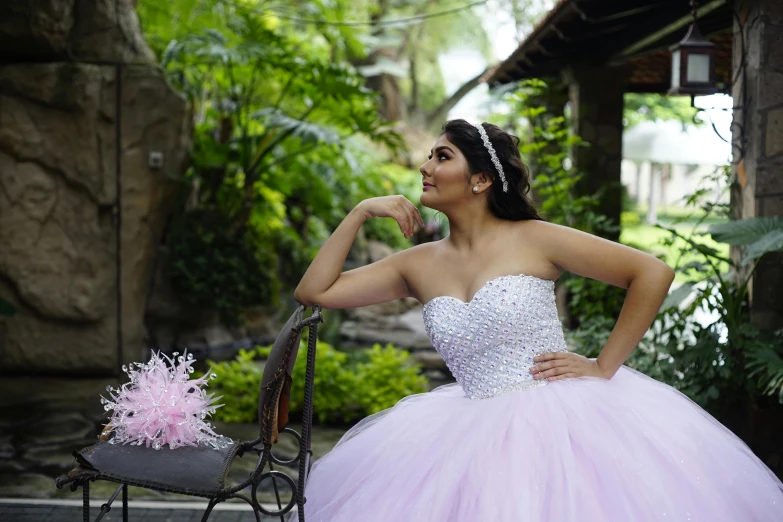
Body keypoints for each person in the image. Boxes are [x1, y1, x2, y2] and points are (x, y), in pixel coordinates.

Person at [293, 120, 783, 521]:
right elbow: (314, 291)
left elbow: (651, 273)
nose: (425, 167)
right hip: (463, 436)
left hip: (565, 426)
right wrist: (359, 212)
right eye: (430, 156)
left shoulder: (536, 238)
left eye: (443, 157)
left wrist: (602, 365)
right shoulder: (415, 265)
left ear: (480, 179)